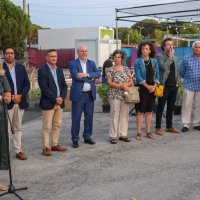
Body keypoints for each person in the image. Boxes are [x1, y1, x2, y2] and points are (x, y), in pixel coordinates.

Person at [68, 45, 101, 148]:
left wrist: (86, 74)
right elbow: (75, 77)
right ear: (78, 52)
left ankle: (87, 137)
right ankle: (75, 139)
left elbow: (99, 73)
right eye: (82, 51)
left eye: (86, 51)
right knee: (76, 118)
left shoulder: (91, 63)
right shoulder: (72, 63)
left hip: (89, 95)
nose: (84, 53)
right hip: (79, 96)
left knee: (89, 118)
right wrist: (92, 78)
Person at [38, 49, 67, 156]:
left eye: (55, 56)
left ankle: (54, 145)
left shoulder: (59, 70)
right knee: (46, 127)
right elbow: (44, 88)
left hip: (59, 103)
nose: (54, 58)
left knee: (57, 125)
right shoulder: (42, 70)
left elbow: (64, 86)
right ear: (46, 58)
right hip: (48, 103)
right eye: (52, 56)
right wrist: (55, 98)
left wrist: (62, 97)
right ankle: (45, 147)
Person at [3, 47, 30, 160]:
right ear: (4, 55)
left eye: (12, 53)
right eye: (7, 53)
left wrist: (20, 95)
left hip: (19, 102)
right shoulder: (1, 68)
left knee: (18, 128)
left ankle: (18, 151)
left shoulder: (20, 67)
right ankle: (6, 153)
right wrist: (9, 96)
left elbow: (27, 83)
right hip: (6, 102)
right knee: (6, 130)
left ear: (14, 55)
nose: (10, 55)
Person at [134, 41, 160, 141]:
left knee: (149, 111)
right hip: (142, 90)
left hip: (152, 89)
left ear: (150, 51)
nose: (144, 50)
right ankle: (139, 132)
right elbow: (138, 77)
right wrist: (148, 87)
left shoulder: (154, 61)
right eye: (143, 48)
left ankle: (148, 131)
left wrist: (154, 85)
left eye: (146, 48)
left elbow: (158, 75)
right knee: (141, 111)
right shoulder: (137, 62)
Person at [107, 50, 133, 144]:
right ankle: (113, 136)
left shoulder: (126, 69)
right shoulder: (110, 69)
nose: (117, 59)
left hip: (125, 95)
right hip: (115, 95)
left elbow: (131, 81)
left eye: (118, 57)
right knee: (114, 115)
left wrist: (126, 85)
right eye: (115, 57)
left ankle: (123, 135)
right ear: (113, 58)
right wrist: (121, 86)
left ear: (122, 58)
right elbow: (110, 82)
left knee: (124, 115)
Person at [155, 38, 180, 135]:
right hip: (164, 85)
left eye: (171, 44)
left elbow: (177, 70)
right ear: (164, 46)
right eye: (168, 44)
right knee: (161, 107)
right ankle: (158, 127)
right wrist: (170, 57)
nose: (170, 46)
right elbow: (163, 67)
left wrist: (177, 82)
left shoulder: (175, 57)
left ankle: (169, 126)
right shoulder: (159, 56)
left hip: (174, 86)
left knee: (171, 107)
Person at [179, 41, 200, 132]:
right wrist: (184, 80)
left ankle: (197, 123)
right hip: (188, 85)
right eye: (196, 47)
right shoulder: (186, 58)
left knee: (199, 106)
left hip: (199, 86)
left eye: (199, 47)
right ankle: (185, 124)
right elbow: (181, 70)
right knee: (187, 105)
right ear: (192, 48)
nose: (197, 49)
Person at [0, 60, 11, 191]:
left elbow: (8, 97)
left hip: (0, 117)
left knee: (0, 146)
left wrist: (3, 99)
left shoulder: (2, 77)